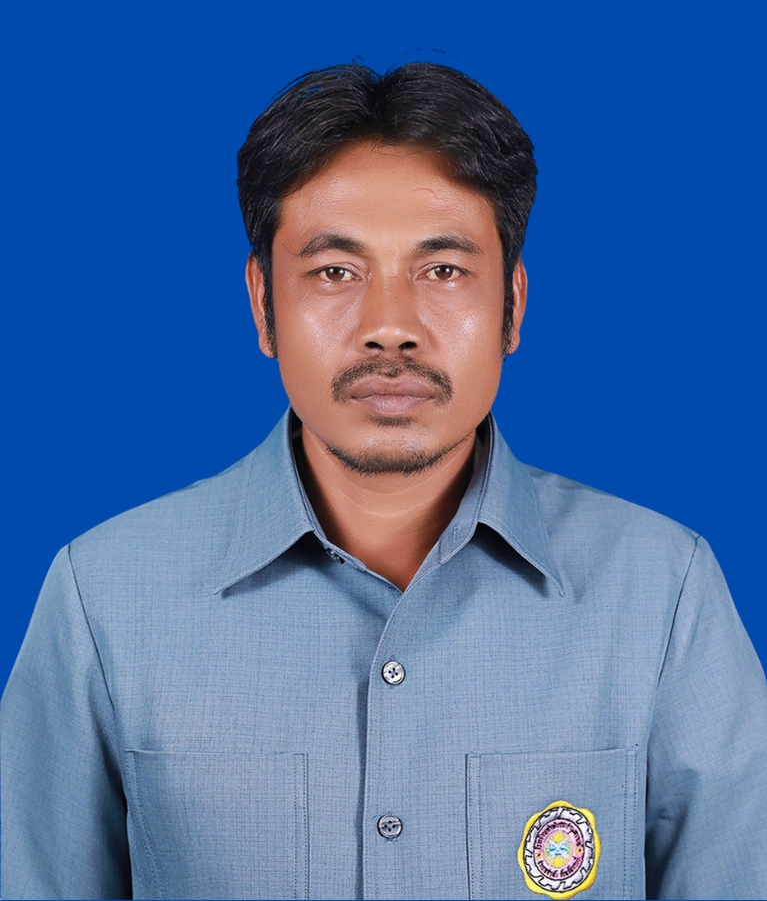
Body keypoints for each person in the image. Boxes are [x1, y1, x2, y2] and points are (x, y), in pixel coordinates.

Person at [2, 63, 765, 901]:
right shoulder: (105, 598)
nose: (390, 328)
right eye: (335, 271)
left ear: (512, 305)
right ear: (261, 303)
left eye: (442, 271)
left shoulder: (660, 593)